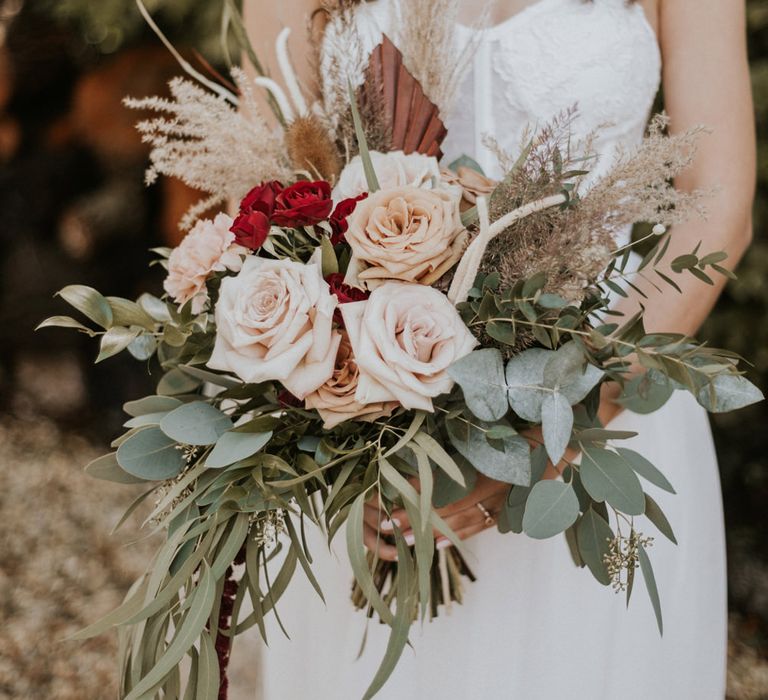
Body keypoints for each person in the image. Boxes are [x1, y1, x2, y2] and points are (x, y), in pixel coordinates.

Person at [240, 1, 755, 698]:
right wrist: (351, 407)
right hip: (364, 438)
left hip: (604, 403)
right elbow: (264, 189)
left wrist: (556, 421)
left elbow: (716, 203)